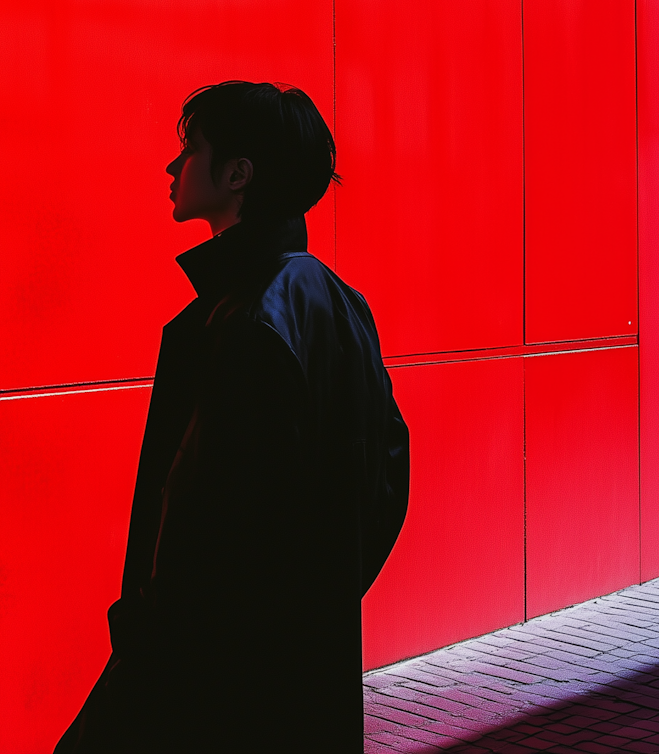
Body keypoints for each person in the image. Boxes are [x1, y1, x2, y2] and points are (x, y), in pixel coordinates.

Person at [56, 81, 411, 753]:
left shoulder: (248, 320)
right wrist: (323, 602)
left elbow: (205, 513)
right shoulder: (335, 301)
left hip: (211, 675)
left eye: (190, 150)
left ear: (238, 174)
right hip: (295, 665)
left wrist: (152, 633)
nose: (172, 167)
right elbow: (385, 479)